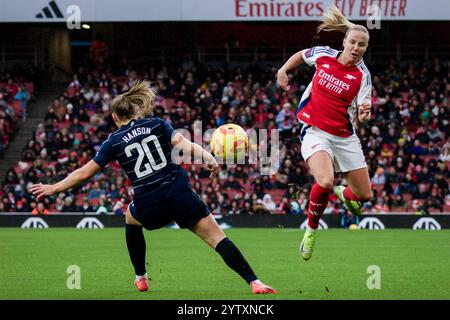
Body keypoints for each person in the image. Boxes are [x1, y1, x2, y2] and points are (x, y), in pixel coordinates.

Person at [30, 81, 276, 295]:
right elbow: (185, 144)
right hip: (180, 195)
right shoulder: (157, 124)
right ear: (134, 111)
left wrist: (54, 188)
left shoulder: (113, 141)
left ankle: (140, 277)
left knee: (130, 217)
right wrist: (208, 158)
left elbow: (84, 173)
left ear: (115, 117)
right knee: (217, 238)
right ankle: (254, 282)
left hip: (150, 204)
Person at [277, 6, 372, 261]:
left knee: (363, 196)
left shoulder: (362, 76)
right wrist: (283, 70)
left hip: (344, 136)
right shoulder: (324, 55)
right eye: (352, 42)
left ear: (365, 48)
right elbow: (300, 55)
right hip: (315, 130)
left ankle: (344, 193)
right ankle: (310, 231)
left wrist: (364, 114)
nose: (356, 47)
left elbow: (363, 116)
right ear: (344, 41)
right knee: (326, 181)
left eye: (361, 45)